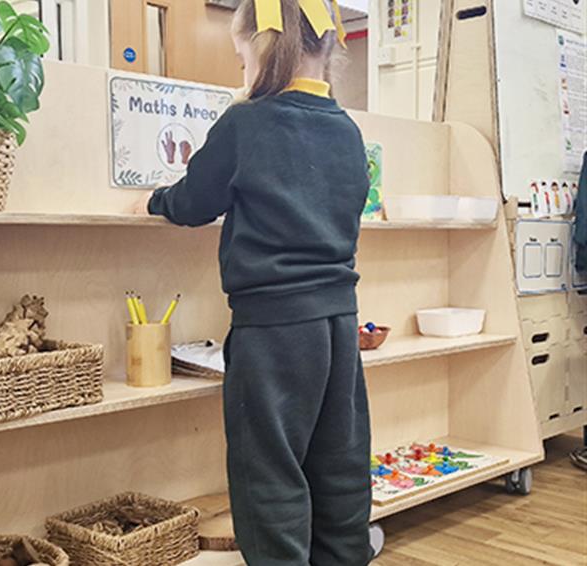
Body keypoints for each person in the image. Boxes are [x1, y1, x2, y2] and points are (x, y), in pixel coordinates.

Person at [135, 0, 376, 563]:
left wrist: (153, 200)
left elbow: (194, 202)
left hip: (273, 329)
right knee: (339, 459)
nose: (241, 70)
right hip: (340, 324)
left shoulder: (246, 122)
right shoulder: (347, 131)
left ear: (262, 50)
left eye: (241, 56)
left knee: (267, 468)